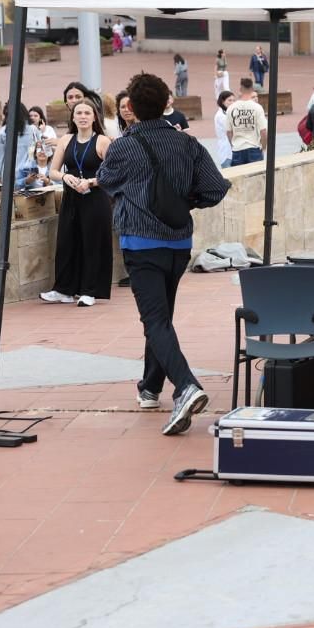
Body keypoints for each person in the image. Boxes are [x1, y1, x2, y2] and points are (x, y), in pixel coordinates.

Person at [96, 72, 230, 434]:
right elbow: (217, 189)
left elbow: (106, 181)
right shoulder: (187, 144)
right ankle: (151, 388)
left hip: (141, 242)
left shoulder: (124, 146)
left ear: (133, 109)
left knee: (155, 320)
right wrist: (187, 203)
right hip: (178, 243)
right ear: (166, 103)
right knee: (161, 317)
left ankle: (186, 386)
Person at [41, 98, 113, 307]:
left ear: (94, 117)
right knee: (66, 242)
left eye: (87, 113)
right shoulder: (66, 140)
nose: (82, 117)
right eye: (78, 113)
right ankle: (63, 289)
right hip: (71, 198)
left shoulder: (102, 141)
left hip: (95, 199)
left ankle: (89, 290)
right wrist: (65, 178)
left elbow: (112, 174)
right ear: (72, 117)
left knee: (92, 243)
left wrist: (90, 182)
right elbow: (53, 171)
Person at [224, 78, 266, 165]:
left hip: (238, 148)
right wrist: (263, 147)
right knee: (256, 177)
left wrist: (233, 145)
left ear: (240, 89)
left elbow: (228, 132)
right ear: (252, 89)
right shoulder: (257, 107)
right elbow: (263, 131)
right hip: (254, 147)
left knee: (238, 177)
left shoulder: (231, 108)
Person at [212, 90, 234, 167]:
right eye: (229, 100)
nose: (232, 103)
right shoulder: (220, 116)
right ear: (222, 101)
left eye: (233, 100)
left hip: (231, 151)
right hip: (226, 152)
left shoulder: (228, 113)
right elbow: (231, 130)